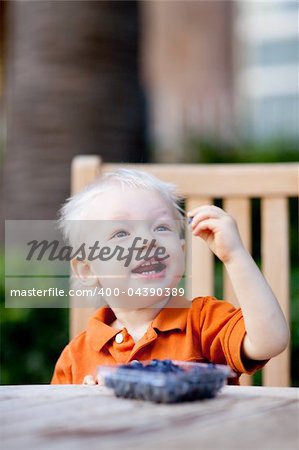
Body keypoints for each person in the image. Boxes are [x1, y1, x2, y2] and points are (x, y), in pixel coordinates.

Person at [51, 169, 289, 385]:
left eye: (161, 228)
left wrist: (235, 256)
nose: (147, 241)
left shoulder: (204, 321)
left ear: (181, 251)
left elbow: (270, 341)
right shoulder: (76, 357)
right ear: (88, 270)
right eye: (121, 232)